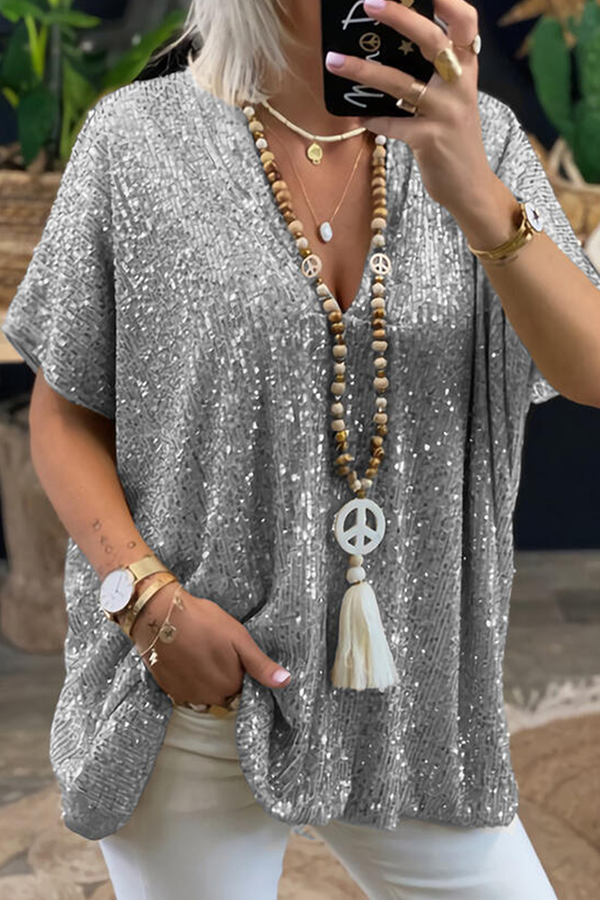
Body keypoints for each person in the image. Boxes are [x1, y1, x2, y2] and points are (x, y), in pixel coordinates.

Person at [3, 0, 600, 897]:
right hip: (200, 694)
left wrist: (475, 190)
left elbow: (590, 369)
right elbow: (65, 413)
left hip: (414, 708)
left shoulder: (482, 140)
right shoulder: (136, 142)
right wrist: (150, 606)